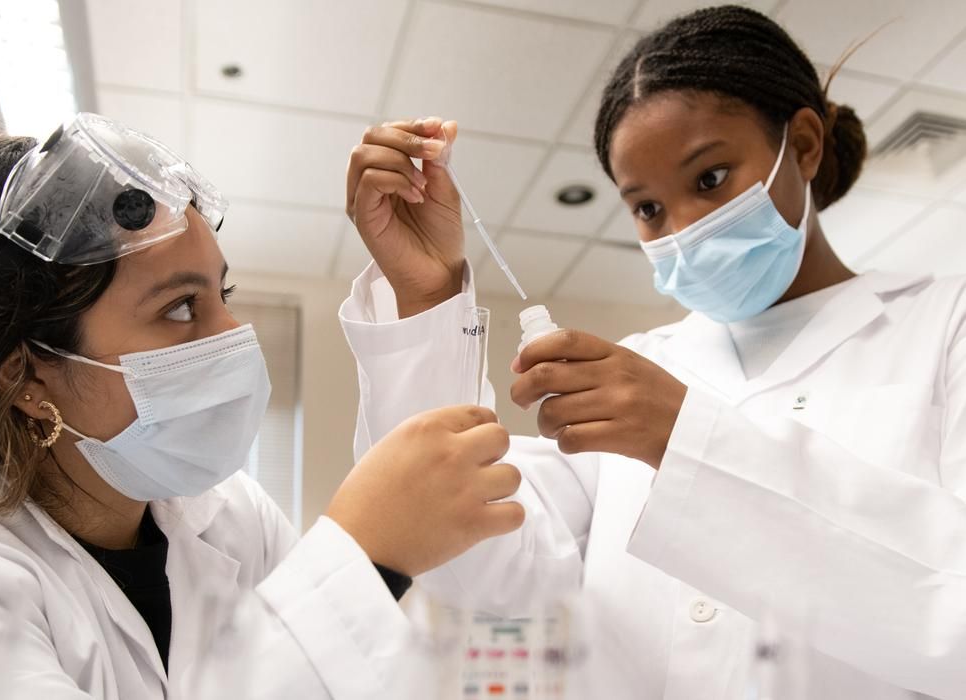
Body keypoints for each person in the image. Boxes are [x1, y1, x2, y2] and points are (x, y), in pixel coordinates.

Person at [0, 113, 525, 699]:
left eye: (220, 295)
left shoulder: (221, 517)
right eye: (179, 309)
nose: (232, 337)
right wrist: (357, 559)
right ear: (25, 373)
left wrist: (424, 297)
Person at [340, 6, 966, 698]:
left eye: (709, 178)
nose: (683, 228)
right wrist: (425, 295)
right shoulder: (638, 370)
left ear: (805, 144)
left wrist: (683, 437)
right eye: (645, 208)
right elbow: (472, 567)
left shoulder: (943, 326)